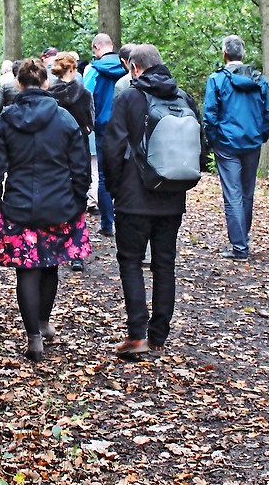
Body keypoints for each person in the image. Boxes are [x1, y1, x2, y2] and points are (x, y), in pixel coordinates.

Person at [0, 58, 92, 362]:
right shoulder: (65, 119)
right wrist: (78, 201)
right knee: (50, 264)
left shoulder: (6, 119)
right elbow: (81, 167)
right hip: (59, 204)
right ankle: (43, 322)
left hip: (18, 205)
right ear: (46, 84)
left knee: (26, 269)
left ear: (19, 85)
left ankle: (33, 336)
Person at [101, 44, 202, 358]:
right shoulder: (184, 98)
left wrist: (115, 189)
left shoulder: (129, 98)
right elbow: (202, 145)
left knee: (130, 262)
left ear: (134, 68)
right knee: (164, 265)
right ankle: (158, 336)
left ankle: (136, 335)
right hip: (172, 196)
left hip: (134, 197)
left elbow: (112, 148)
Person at [202, 35, 269, 261]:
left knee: (233, 194)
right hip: (251, 143)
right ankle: (242, 241)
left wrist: (215, 141)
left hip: (227, 144)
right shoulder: (259, 80)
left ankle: (240, 247)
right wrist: (259, 136)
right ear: (242, 54)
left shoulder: (217, 80)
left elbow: (209, 116)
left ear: (224, 54)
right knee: (246, 193)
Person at [49, 52, 95, 272]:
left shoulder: (50, 94)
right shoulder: (84, 94)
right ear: (73, 69)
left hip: (55, 153)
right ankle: (76, 251)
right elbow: (90, 122)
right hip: (79, 152)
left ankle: (55, 243)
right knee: (79, 199)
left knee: (56, 196)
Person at [83, 33, 128, 236]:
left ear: (96, 48)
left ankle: (108, 224)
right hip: (126, 126)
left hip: (102, 126)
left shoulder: (94, 70)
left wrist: (87, 122)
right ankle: (126, 220)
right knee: (126, 172)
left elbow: (85, 96)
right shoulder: (127, 67)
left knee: (102, 176)